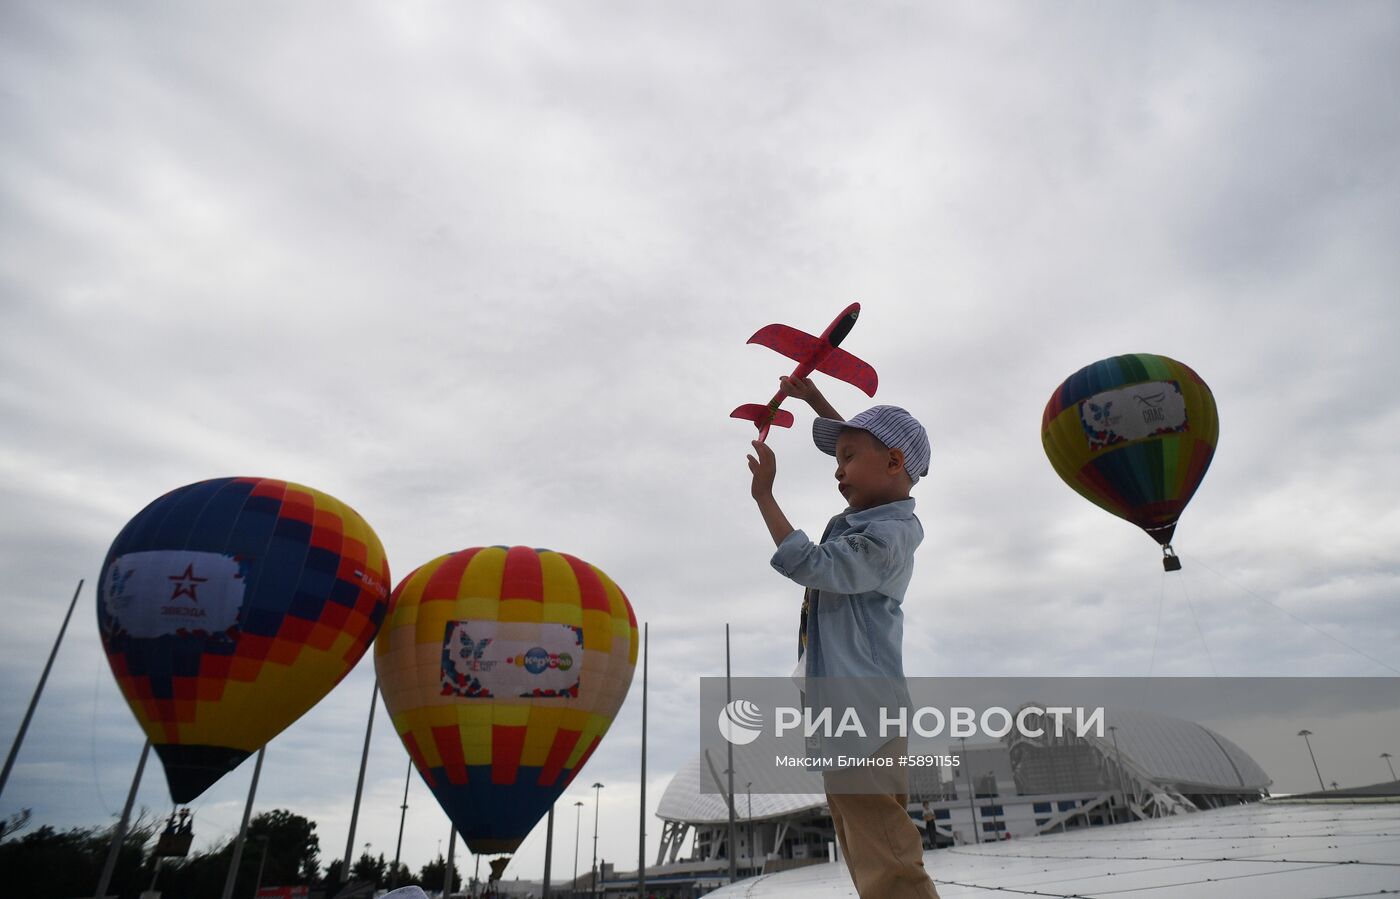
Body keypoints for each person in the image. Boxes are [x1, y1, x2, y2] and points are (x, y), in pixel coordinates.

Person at [746, 376, 940, 899]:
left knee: (886, 854)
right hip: (849, 712)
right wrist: (814, 401)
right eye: (837, 458)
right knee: (863, 844)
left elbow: (812, 564)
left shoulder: (885, 537)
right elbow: (867, 450)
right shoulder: (874, 519)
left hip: (864, 712)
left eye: (847, 458)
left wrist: (765, 497)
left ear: (895, 465)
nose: (837, 469)